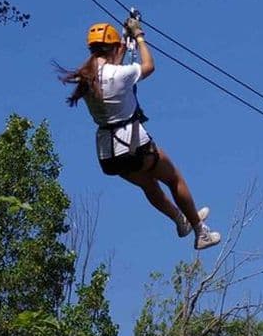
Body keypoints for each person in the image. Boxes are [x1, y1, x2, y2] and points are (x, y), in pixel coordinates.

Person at [58, 17, 220, 250]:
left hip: (108, 153)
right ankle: (199, 230)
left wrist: (123, 45)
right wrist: (139, 36)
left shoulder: (84, 79)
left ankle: (180, 219)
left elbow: (108, 71)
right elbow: (148, 66)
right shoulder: (119, 74)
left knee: (149, 185)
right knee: (173, 179)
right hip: (134, 143)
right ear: (114, 48)